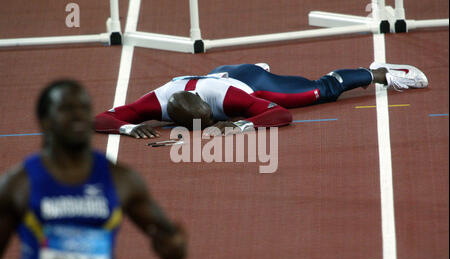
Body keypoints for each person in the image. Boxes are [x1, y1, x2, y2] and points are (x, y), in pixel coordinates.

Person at [0, 80, 187, 259]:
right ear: (45, 121)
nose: (78, 115)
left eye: (84, 108)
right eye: (67, 109)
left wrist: (173, 246)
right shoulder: (19, 185)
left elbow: (171, 245)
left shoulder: (121, 179)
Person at [94, 62, 428, 138]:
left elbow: (281, 115)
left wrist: (238, 125)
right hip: (216, 75)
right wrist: (126, 128)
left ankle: (381, 73)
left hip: (248, 80)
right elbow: (100, 119)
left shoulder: (227, 98)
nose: (211, 125)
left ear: (209, 108)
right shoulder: (155, 103)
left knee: (316, 93)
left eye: (209, 119)